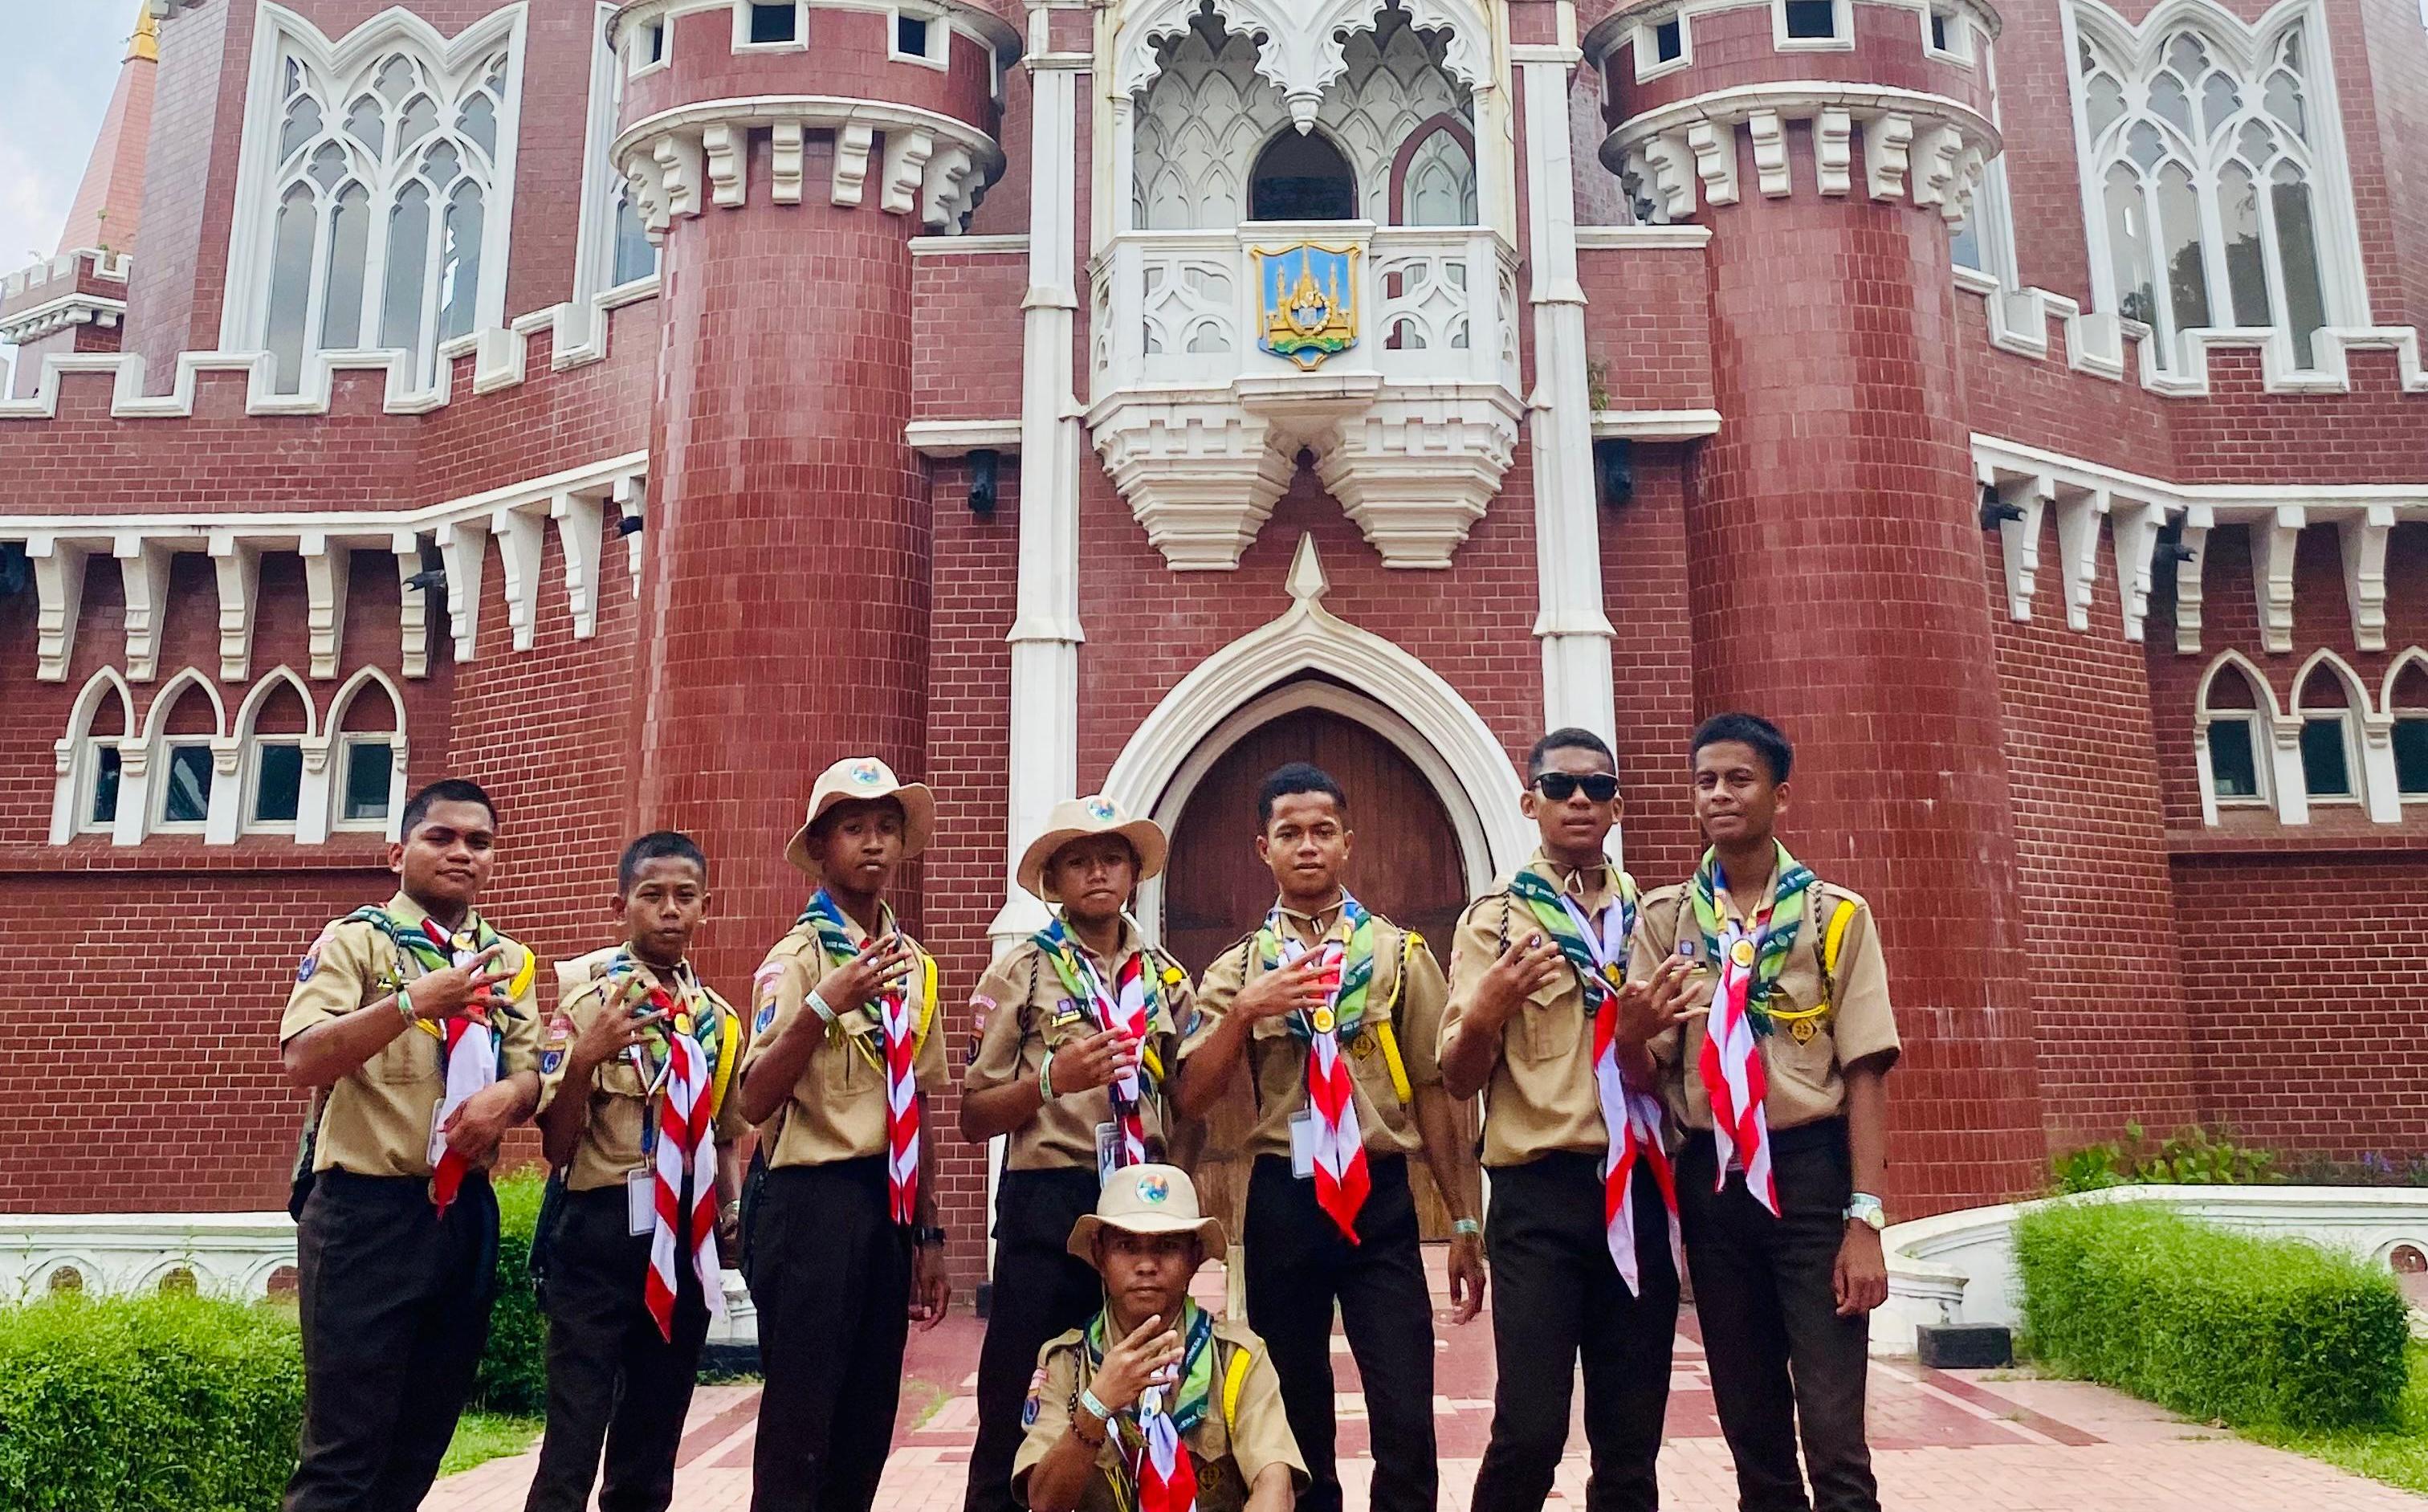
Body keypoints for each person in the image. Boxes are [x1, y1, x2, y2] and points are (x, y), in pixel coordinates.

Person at [1174, 762, 1484, 1512]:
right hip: (1285, 1197)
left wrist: (1466, 1218)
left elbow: (1440, 1093)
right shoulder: (1238, 969)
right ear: (1263, 848)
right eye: (1289, 833)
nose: (1306, 846)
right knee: (1296, 1410)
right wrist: (1246, 1011)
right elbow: (1191, 1091)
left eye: (1322, 831)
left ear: (1348, 841)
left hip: (1378, 1199)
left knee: (1405, 1406)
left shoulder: (1400, 956)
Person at [1632, 713, 1900, 1512]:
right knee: (1751, 1426)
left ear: (1780, 794)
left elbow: (1865, 1073)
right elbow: (1644, 1071)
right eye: (1706, 779)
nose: (1720, 793)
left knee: (1833, 1429)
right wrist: (1631, 1029)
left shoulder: (1834, 917)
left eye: (1740, 778)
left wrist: (1867, 1218)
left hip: (1809, 1174)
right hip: (1713, 1181)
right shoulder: (1667, 920)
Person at [1439, 728, 1693, 1512]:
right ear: (1530, 802)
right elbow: (1457, 1075)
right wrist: (1486, 1008)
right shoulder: (1494, 921)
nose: (1577, 799)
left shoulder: (1658, 920)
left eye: (1595, 786)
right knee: (1531, 1426)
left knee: (1630, 1436)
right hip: (1538, 1194)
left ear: (1618, 804)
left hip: (1639, 1187)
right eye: (1558, 786)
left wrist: (1636, 1034)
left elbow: (1664, 1068)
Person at [277, 777, 541, 1512]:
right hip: (367, 1212)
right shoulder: (356, 941)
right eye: (441, 837)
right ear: (398, 850)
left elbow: (532, 1070)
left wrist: (510, 1098)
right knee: (343, 1454)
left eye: (479, 842)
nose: (462, 853)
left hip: (461, 1216)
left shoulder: (506, 960)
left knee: (421, 1440)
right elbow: (302, 1056)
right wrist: (411, 1002)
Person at [961, 796, 1196, 1512]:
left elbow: (1189, 1100)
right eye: (1079, 860)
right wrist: (1052, 1079)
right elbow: (973, 1113)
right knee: (1018, 1395)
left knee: (1145, 1392)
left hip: (1139, 1208)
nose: (1098, 871)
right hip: (1047, 1199)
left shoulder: (1166, 979)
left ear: (1132, 873)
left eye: (1112, 857)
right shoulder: (1022, 972)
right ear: (1054, 880)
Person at [735, 756, 954, 1512]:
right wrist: (824, 1006)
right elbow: (753, 1097)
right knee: (802, 1415)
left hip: (886, 1206)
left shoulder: (915, 966)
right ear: (822, 847)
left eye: (887, 828)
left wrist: (928, 1234)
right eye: (854, 828)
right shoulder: (794, 961)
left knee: (868, 1411)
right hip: (810, 1202)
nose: (873, 844)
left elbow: (918, 1104)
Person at [523, 831, 748, 1512]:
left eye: (685, 896)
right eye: (652, 895)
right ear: (622, 903)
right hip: (598, 1237)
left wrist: (731, 1211)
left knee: (651, 1442)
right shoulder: (590, 1005)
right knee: (573, 1436)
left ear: (706, 906)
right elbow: (555, 1147)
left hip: (681, 1240)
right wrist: (586, 1057)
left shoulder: (718, 1021)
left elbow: (725, 1136)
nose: (669, 910)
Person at [1015, 1164, 1305, 1512]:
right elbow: (1044, 1501)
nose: (1147, 1264)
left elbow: (1275, 1487)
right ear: (1099, 1254)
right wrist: (1097, 1404)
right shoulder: (1065, 1362)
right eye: (1126, 1245)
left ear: (1195, 1257)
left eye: (1167, 1246)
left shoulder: (1238, 1358)